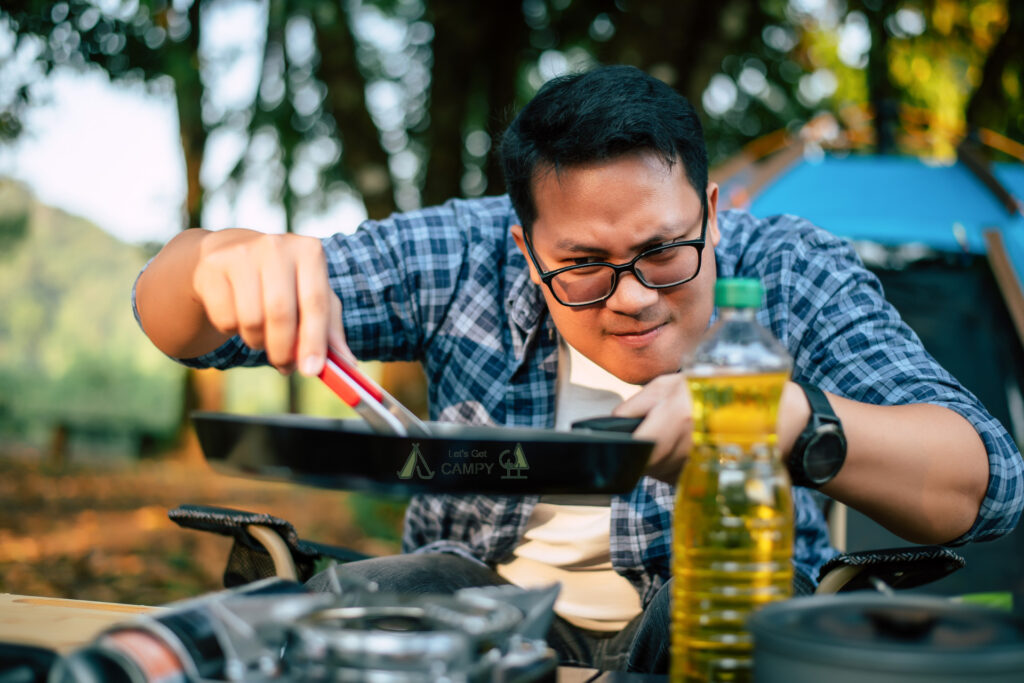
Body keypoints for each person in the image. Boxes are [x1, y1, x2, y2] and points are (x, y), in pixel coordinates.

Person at [133, 65, 1023, 672]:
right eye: (585, 265)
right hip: (479, 613)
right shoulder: (462, 252)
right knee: (389, 603)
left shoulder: (791, 267)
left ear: (713, 210)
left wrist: (793, 421)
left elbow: (990, 482)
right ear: (524, 245)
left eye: (666, 250)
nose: (633, 297)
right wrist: (219, 259)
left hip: (722, 605)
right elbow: (177, 323)